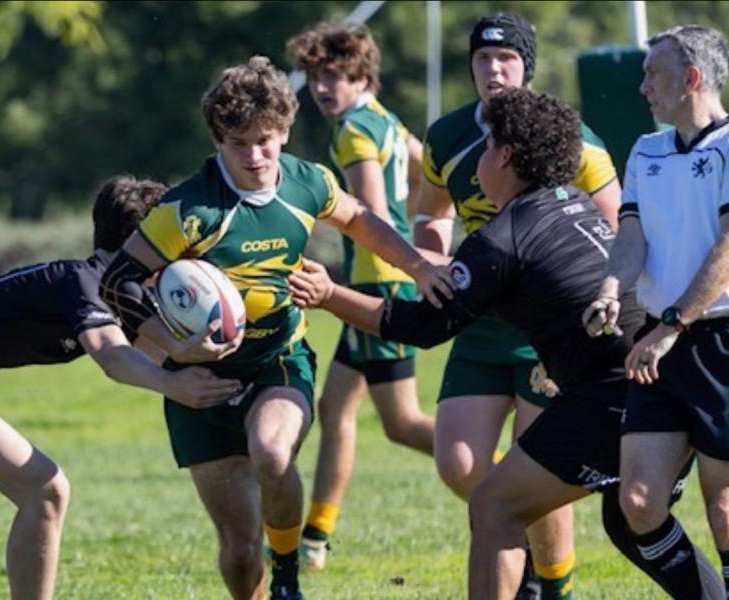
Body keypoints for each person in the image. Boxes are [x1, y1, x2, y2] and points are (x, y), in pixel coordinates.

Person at [289, 87, 723, 599]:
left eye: (489, 146)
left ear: (507, 156)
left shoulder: (503, 238)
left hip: (612, 395)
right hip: (651, 383)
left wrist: (328, 294)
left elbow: (421, 328)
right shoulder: (574, 201)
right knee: (632, 524)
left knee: (496, 505)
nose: (477, 168)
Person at [98, 57, 451, 600]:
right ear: (219, 140)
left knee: (272, 452)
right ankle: (263, 583)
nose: (255, 155)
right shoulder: (187, 210)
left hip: (277, 359)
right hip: (199, 386)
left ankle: (288, 581)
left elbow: (361, 219)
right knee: (239, 555)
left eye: (266, 140)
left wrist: (421, 266)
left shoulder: (308, 183)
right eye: (239, 143)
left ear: (285, 131)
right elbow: (117, 281)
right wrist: (175, 349)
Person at [0, 175, 242, 599]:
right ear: (140, 241)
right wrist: (172, 384)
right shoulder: (81, 282)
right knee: (45, 489)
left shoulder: (124, 299)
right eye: (167, 240)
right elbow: (113, 357)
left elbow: (153, 355)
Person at [414, 12, 622, 599]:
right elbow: (433, 214)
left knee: (540, 464)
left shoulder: (568, 137)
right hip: (482, 320)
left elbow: (617, 224)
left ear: (526, 67)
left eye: (506, 59)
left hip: (550, 330)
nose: (494, 68)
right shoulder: (448, 137)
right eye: (483, 58)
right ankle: (516, 542)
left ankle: (553, 586)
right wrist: (429, 262)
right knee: (457, 462)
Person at [583, 25, 729, 600]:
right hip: (659, 342)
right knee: (639, 503)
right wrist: (609, 289)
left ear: (691, 78)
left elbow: (726, 247)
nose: (642, 87)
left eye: (653, 75)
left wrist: (672, 325)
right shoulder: (646, 148)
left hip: (716, 340)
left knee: (722, 505)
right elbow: (631, 235)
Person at [285, 22, 434, 570]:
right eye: (316, 77)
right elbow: (423, 170)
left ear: (362, 76)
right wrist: (417, 225)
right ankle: (316, 538)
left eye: (336, 77)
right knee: (334, 406)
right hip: (383, 277)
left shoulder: (352, 132)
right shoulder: (386, 121)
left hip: (376, 283)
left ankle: (508, 483)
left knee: (402, 423)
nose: (324, 89)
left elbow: (367, 216)